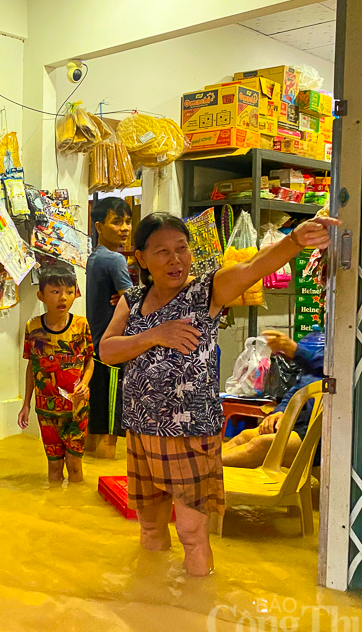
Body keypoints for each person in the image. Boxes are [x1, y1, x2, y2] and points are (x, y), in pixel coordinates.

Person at [100, 211, 338, 576]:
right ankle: (152, 603)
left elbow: (255, 267)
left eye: (182, 248)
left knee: (192, 534)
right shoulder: (132, 300)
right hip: (140, 428)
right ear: (141, 258)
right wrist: (154, 335)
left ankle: (196, 615)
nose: (175, 259)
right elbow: (107, 350)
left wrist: (295, 241)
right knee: (149, 527)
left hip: (190, 431)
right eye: (162, 251)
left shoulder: (207, 290)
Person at [18, 263, 95, 483]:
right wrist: (26, 404)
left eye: (69, 292)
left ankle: (73, 510)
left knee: (74, 465)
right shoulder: (32, 328)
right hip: (46, 410)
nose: (63, 298)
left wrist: (85, 383)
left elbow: (90, 360)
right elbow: (32, 368)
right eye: (55, 292)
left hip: (76, 409)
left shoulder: (81, 326)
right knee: (53, 467)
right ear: (41, 295)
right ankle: (54, 511)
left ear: (75, 294)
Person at [223, 330, 324, 468]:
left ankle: (206, 470)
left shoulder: (349, 344)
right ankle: (204, 468)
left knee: (261, 444)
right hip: (301, 422)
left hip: (323, 434)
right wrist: (280, 411)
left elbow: (335, 367)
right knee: (246, 435)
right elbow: (296, 389)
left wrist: (297, 351)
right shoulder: (323, 340)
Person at [85, 197, 133, 459]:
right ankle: (102, 475)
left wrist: (124, 297)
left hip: (96, 347)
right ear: (99, 226)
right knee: (111, 426)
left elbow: (125, 297)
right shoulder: (115, 260)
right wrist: (130, 296)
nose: (125, 228)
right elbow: (134, 302)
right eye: (117, 222)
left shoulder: (94, 258)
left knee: (97, 418)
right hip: (114, 349)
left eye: (127, 221)